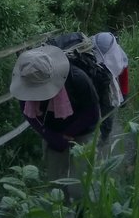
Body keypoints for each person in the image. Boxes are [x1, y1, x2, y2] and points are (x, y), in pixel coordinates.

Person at [10, 45, 100, 200]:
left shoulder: (77, 78)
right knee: (55, 182)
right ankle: (61, 216)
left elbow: (92, 113)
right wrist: (50, 135)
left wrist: (68, 134)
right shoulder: (26, 79)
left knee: (80, 182)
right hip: (52, 133)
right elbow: (28, 114)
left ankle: (83, 214)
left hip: (82, 131)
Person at [92, 32, 130, 102]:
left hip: (110, 90)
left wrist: (124, 93)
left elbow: (123, 72)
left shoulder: (118, 55)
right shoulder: (89, 55)